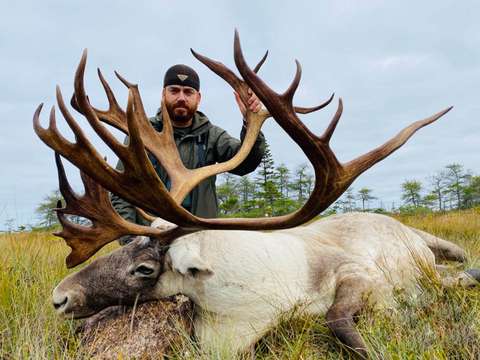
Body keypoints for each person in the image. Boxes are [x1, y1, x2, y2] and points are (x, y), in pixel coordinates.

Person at [111, 64, 266, 245]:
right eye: (174, 91)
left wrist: (249, 122)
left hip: (202, 241)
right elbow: (121, 190)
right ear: (163, 94)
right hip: (154, 241)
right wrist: (132, 240)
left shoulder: (212, 135)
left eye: (188, 92)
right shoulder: (140, 134)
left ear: (198, 98)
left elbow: (246, 163)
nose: (181, 98)